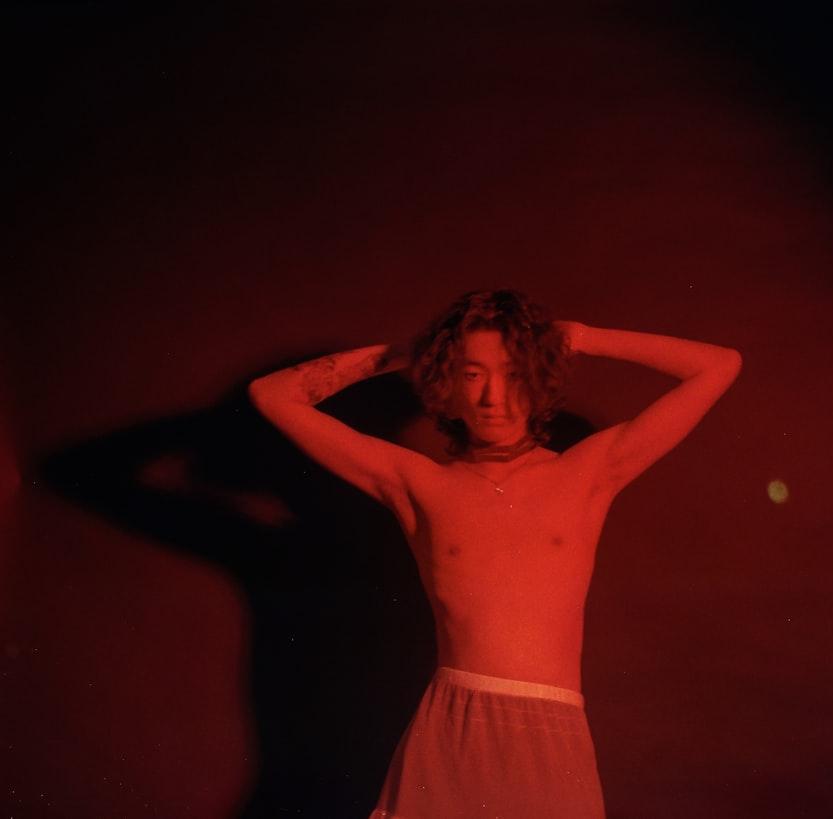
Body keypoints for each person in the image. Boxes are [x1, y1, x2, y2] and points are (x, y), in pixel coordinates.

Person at [248, 289, 741, 818]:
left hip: (554, 734)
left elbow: (718, 366)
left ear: (539, 375)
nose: (493, 397)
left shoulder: (589, 472)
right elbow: (272, 394)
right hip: (449, 729)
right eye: (472, 374)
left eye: (512, 371)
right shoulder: (416, 483)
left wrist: (582, 337)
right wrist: (417, 350)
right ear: (448, 384)